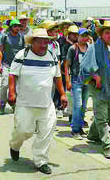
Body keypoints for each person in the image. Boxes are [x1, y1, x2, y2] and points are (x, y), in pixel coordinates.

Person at [8, 28, 67, 175]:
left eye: (46, 41)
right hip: (25, 103)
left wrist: (63, 94)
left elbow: (57, 77)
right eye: (40, 41)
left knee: (46, 132)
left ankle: (41, 161)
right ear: (33, 42)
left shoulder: (52, 56)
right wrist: (11, 92)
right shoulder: (23, 55)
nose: (44, 44)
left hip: (46, 103)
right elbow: (12, 74)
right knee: (23, 130)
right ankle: (15, 145)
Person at [79, 20, 110, 159]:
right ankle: (107, 145)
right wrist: (95, 75)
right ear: (102, 34)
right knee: (102, 116)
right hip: (98, 87)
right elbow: (84, 66)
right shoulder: (94, 48)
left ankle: (93, 134)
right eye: (107, 32)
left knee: (105, 114)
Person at [66, 28, 90, 139]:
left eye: (86, 36)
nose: (84, 38)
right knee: (78, 105)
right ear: (78, 37)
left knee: (84, 106)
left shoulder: (90, 48)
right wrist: (67, 81)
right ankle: (75, 129)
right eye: (82, 36)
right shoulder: (73, 49)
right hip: (76, 80)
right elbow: (67, 66)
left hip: (88, 81)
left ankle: (80, 127)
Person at [0, 19, 25, 114]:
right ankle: (2, 105)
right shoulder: (5, 37)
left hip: (18, 65)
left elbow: (24, 52)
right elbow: (0, 51)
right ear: (11, 27)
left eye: (18, 26)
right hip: (6, 64)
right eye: (15, 26)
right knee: (4, 85)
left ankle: (14, 104)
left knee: (17, 87)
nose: (17, 28)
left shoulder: (22, 37)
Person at [58, 25, 78, 118]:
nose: (75, 36)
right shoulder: (64, 44)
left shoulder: (79, 44)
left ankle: (73, 116)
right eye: (73, 34)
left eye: (76, 34)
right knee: (63, 91)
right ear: (69, 35)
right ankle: (60, 108)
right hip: (65, 71)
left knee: (73, 96)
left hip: (76, 73)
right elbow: (64, 60)